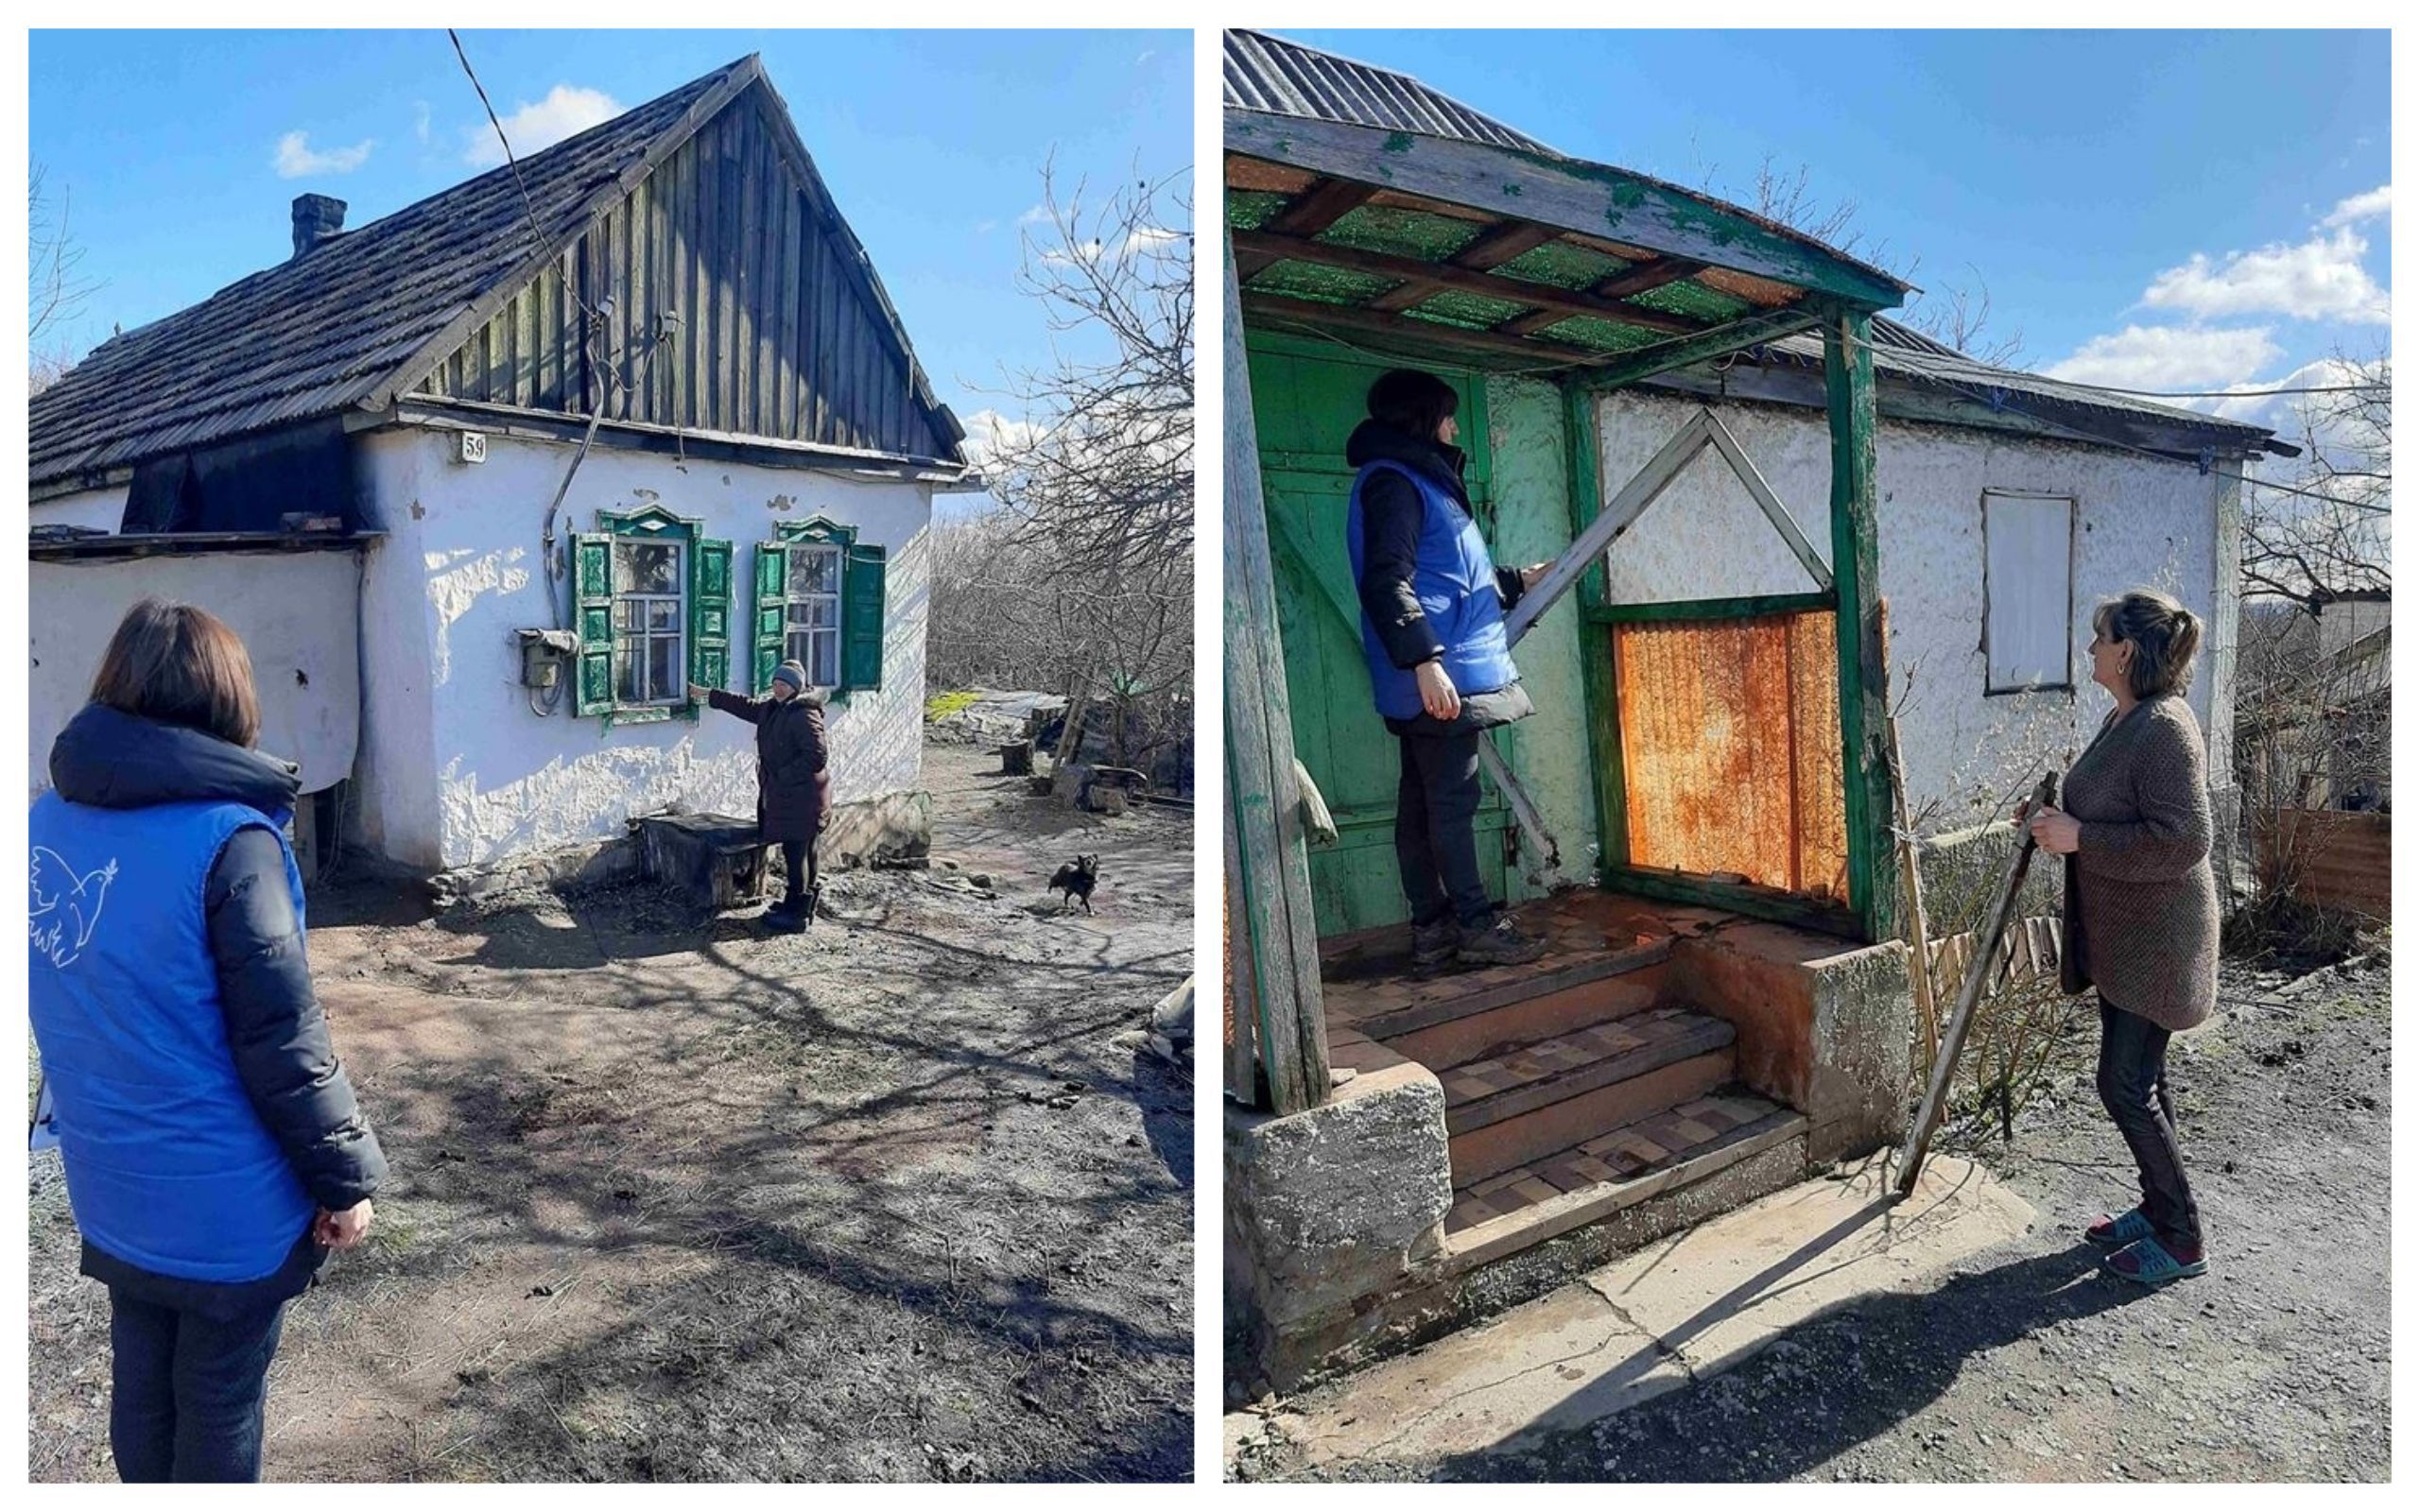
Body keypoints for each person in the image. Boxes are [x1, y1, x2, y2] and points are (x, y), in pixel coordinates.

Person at [28, 599, 388, 1482]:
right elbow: (284, 1040)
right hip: (225, 1203)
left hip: (112, 1182)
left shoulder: (41, 826)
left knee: (143, 1386)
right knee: (220, 1402)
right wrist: (345, 1181)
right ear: (228, 703)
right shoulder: (233, 842)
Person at [2025, 588, 2219, 1286]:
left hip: (2158, 946)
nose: (2090, 648)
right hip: (2127, 943)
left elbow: (2187, 840)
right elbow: (2109, 808)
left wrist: (2081, 838)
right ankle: (2157, 1205)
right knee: (2143, 1080)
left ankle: (2183, 1237)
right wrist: (2054, 820)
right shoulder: (2127, 718)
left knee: (2123, 1087)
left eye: (2099, 637)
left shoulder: (2164, 727)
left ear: (2126, 651)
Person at [1346, 368, 1553, 975]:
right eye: (1447, 414)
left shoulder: (1413, 480)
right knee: (1453, 806)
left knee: (1422, 806)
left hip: (1436, 668)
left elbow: (1450, 579)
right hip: (1442, 675)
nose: (1454, 426)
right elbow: (1388, 580)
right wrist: (1427, 662)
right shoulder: (1398, 484)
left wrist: (1517, 582)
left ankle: (1433, 931)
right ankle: (1476, 927)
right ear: (1423, 419)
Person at [693, 661, 830, 931]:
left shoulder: (803, 714)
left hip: (803, 797)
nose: (778, 689)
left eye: (784, 685)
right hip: (795, 795)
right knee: (804, 850)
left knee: (797, 853)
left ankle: (796, 915)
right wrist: (711, 696)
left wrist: (782, 777)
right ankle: (802, 906)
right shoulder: (776, 709)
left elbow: (817, 755)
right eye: (776, 684)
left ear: (796, 688)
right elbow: (746, 706)